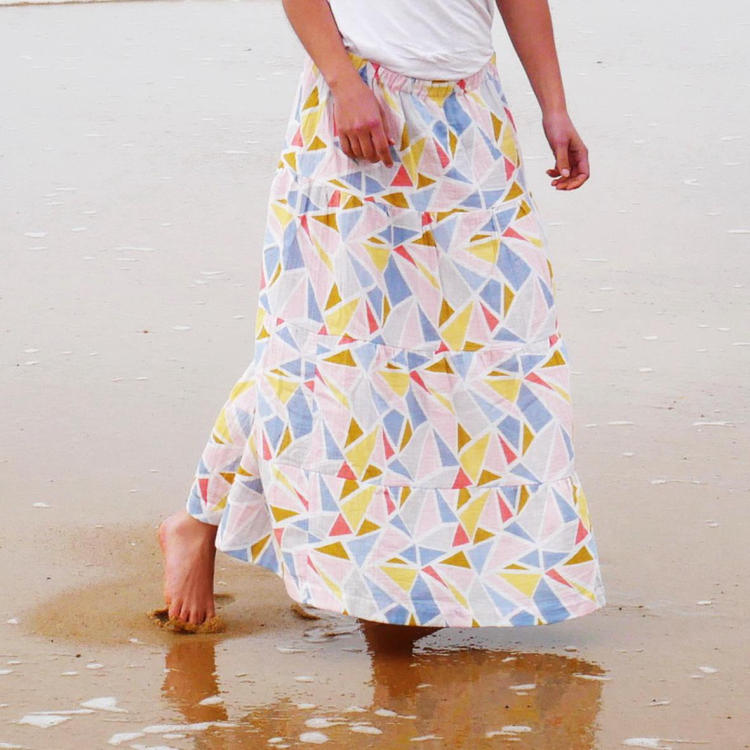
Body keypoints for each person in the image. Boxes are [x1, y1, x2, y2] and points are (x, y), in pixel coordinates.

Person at [159, 0, 607, 629]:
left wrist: (553, 107)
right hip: (364, 112)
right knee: (329, 350)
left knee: (494, 350)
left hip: (472, 117)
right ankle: (197, 523)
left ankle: (396, 567)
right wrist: (344, 84)